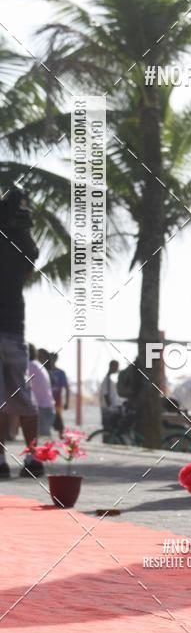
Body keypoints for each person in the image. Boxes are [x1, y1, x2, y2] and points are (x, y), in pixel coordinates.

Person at [0, 185, 44, 479]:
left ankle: (1, 460)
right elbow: (28, 269)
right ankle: (33, 458)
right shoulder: (25, 243)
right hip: (14, 327)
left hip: (11, 327)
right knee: (22, 398)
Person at [27, 343, 56, 437]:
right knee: (43, 439)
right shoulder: (37, 365)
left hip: (43, 409)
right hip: (47, 408)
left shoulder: (30, 366)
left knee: (42, 440)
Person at [48, 351, 70, 437]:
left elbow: (67, 388)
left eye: (52, 359)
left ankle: (62, 440)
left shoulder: (61, 373)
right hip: (45, 402)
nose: (50, 361)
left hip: (57, 402)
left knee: (59, 423)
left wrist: (67, 402)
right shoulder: (44, 371)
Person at [99, 360, 123, 437]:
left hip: (112, 409)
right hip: (108, 410)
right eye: (116, 367)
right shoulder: (106, 380)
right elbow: (106, 395)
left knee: (113, 431)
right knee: (108, 431)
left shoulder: (110, 380)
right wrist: (110, 407)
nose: (117, 369)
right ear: (112, 366)